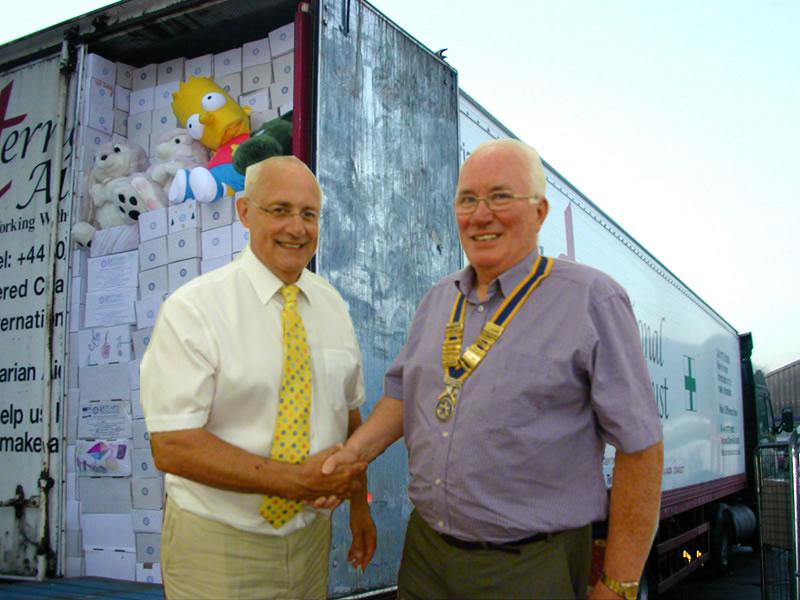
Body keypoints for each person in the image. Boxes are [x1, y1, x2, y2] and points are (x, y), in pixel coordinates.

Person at [321, 139, 664, 600]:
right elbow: (403, 397)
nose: (480, 215)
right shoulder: (439, 299)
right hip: (425, 555)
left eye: (500, 197)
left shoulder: (590, 300)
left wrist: (619, 584)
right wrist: (352, 455)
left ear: (539, 212)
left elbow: (641, 448)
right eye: (467, 199)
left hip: (526, 566)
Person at [141, 156, 376, 600]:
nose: (297, 227)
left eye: (309, 214)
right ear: (245, 212)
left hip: (310, 543)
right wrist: (294, 482)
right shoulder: (194, 310)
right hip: (218, 547)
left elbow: (349, 416)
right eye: (280, 210)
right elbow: (171, 445)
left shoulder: (333, 307)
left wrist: (359, 505)